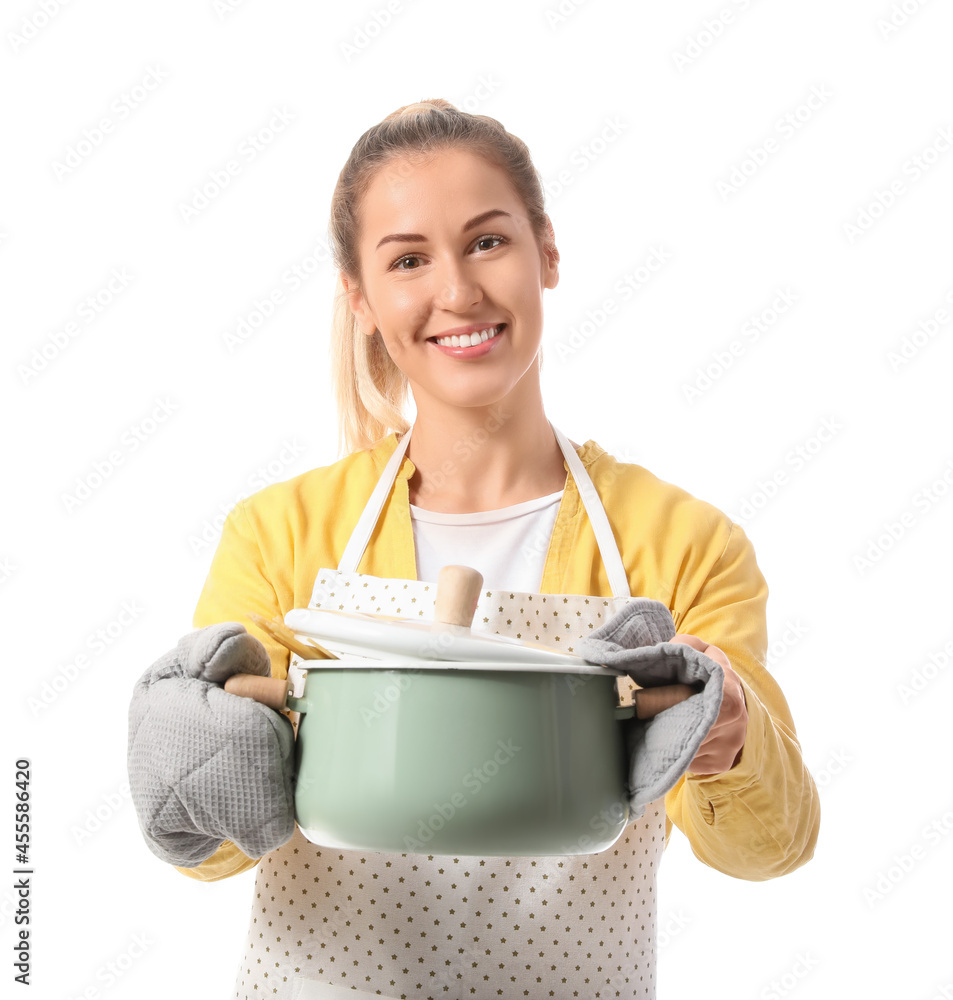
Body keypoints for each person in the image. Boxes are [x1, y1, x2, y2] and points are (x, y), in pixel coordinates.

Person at [129, 99, 820, 999]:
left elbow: (768, 849)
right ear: (360, 298)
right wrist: (195, 756)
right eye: (407, 260)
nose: (457, 292)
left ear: (547, 252)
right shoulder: (280, 532)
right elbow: (215, 854)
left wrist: (731, 738)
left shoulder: (683, 544)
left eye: (487, 242)